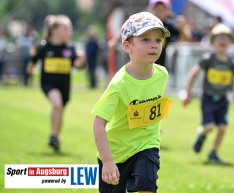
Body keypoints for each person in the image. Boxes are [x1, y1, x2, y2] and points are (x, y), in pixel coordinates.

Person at [91, 12, 171, 193]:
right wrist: (108, 162)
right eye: (145, 40)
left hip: (147, 145)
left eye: (158, 40)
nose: (154, 45)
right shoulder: (118, 85)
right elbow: (98, 124)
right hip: (116, 154)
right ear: (127, 46)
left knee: (147, 186)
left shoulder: (162, 74)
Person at [183, 24, 234, 163]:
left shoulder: (232, 62)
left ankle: (213, 152)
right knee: (209, 127)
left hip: (223, 100)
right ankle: (201, 134)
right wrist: (188, 93)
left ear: (230, 42)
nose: (222, 41)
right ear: (213, 41)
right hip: (208, 99)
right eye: (219, 38)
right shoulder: (208, 59)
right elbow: (193, 74)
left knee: (222, 128)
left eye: (226, 38)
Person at [27, 15, 84, 151]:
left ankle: (55, 138)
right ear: (54, 30)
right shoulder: (44, 47)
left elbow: (77, 66)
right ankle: (53, 135)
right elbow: (32, 62)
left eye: (70, 29)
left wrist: (81, 60)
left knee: (60, 110)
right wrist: (31, 70)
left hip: (65, 85)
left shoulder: (70, 48)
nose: (69, 32)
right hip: (48, 84)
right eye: (65, 28)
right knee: (57, 104)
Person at [148, 0, 180, 69]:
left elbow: (179, 41)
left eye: (162, 9)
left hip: (163, 66)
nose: (159, 12)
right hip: (146, 65)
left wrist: (183, 28)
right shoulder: (144, 25)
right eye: (157, 9)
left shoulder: (171, 27)